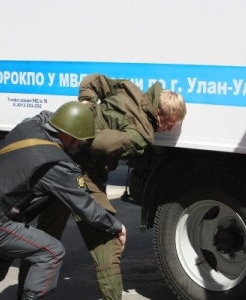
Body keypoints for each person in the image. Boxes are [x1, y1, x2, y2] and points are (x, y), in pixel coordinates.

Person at [18, 74, 187, 300]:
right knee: (108, 243)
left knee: (43, 241)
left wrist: (87, 104)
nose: (168, 129)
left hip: (59, 162)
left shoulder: (129, 89)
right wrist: (90, 132)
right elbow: (100, 144)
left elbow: (93, 80)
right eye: (169, 123)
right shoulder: (141, 135)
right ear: (160, 113)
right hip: (83, 174)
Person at [0, 101, 127, 300]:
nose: (80, 145)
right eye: (79, 140)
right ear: (69, 136)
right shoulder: (56, 164)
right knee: (52, 252)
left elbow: (43, 116)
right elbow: (85, 207)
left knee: (5, 249)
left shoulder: (30, 126)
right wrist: (116, 226)